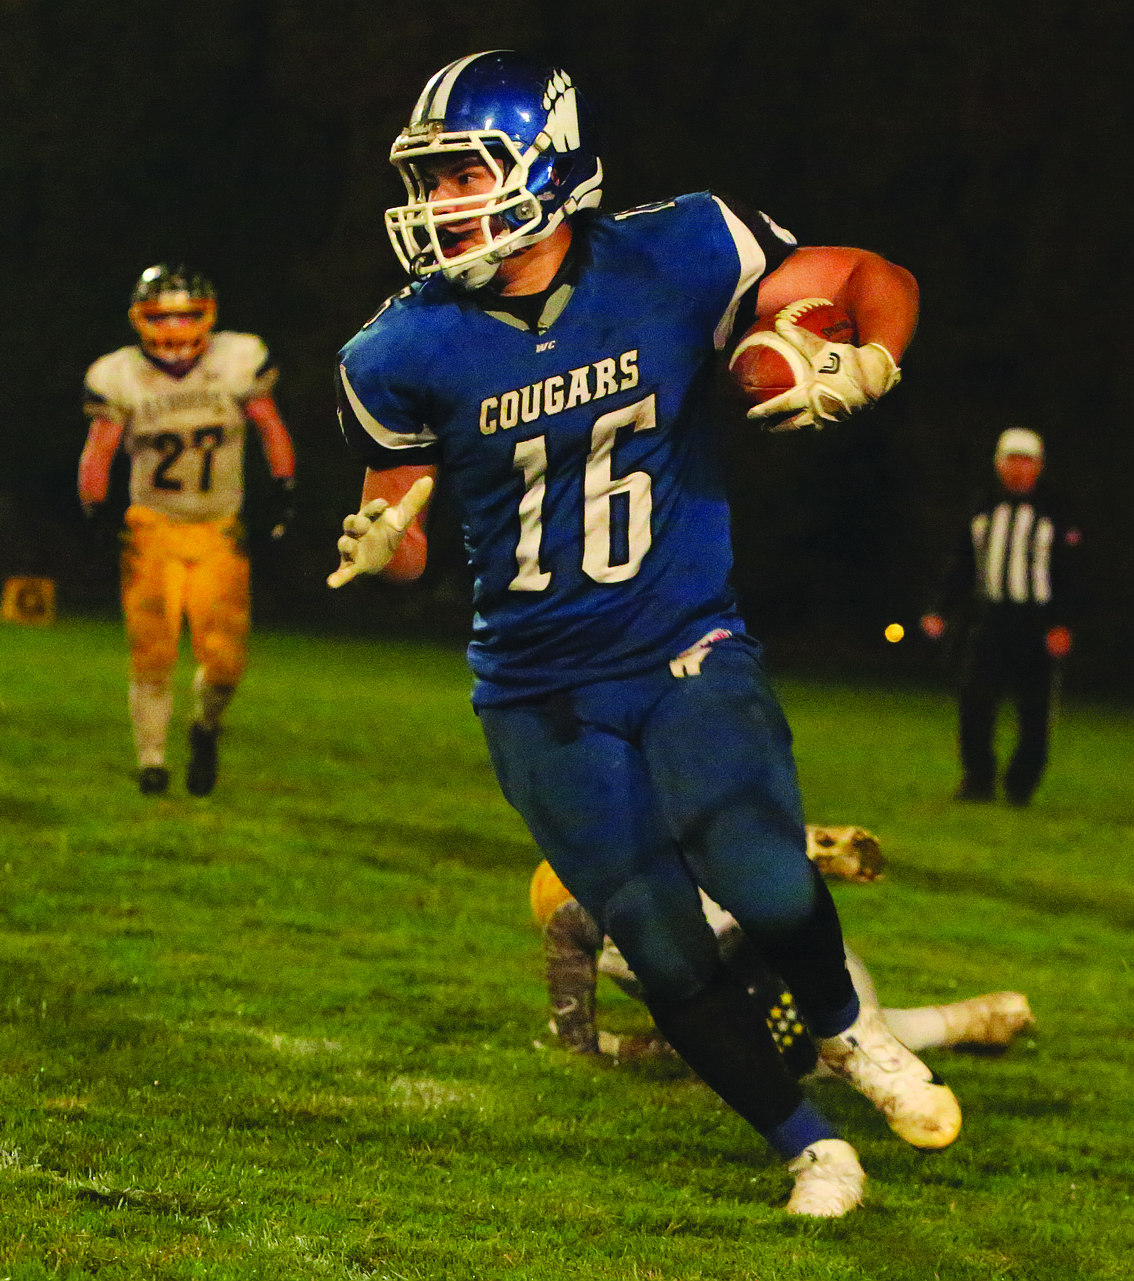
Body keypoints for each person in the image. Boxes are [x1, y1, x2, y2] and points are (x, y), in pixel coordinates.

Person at [329, 51, 949, 1217]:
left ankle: (850, 1029)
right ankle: (808, 1145)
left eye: (464, 171)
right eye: (432, 178)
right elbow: (399, 510)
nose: (440, 203)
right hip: (534, 688)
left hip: (681, 639)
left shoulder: (682, 250)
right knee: (660, 944)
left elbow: (870, 272)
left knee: (763, 875)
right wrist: (380, 542)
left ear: (543, 163)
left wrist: (869, 356)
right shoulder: (394, 349)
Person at [79, 265, 296, 796]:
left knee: (224, 659)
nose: (174, 328)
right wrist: (97, 509)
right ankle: (151, 761)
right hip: (152, 525)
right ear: (140, 319)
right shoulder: (121, 374)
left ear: (209, 316)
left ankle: (205, 726)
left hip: (219, 525)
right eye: (161, 316)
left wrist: (282, 492)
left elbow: (271, 427)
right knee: (151, 650)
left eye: (186, 315)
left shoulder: (237, 360)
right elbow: (99, 451)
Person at [528, 858, 1034, 1065]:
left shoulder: (608, 938)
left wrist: (623, 1047)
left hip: (806, 980)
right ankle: (977, 1018)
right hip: (808, 972)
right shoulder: (650, 887)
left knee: (825, 1055)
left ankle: (968, 1020)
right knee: (820, 1047)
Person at [921, 428, 1081, 806]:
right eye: (1011, 461)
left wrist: (1063, 623)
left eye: (1026, 462)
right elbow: (961, 561)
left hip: (1036, 622)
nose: (1018, 470)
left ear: (1039, 467)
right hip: (990, 619)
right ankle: (977, 780)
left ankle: (1021, 785)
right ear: (999, 465)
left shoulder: (1055, 512)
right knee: (975, 702)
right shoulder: (983, 507)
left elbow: (1071, 573)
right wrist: (941, 609)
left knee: (1035, 711)